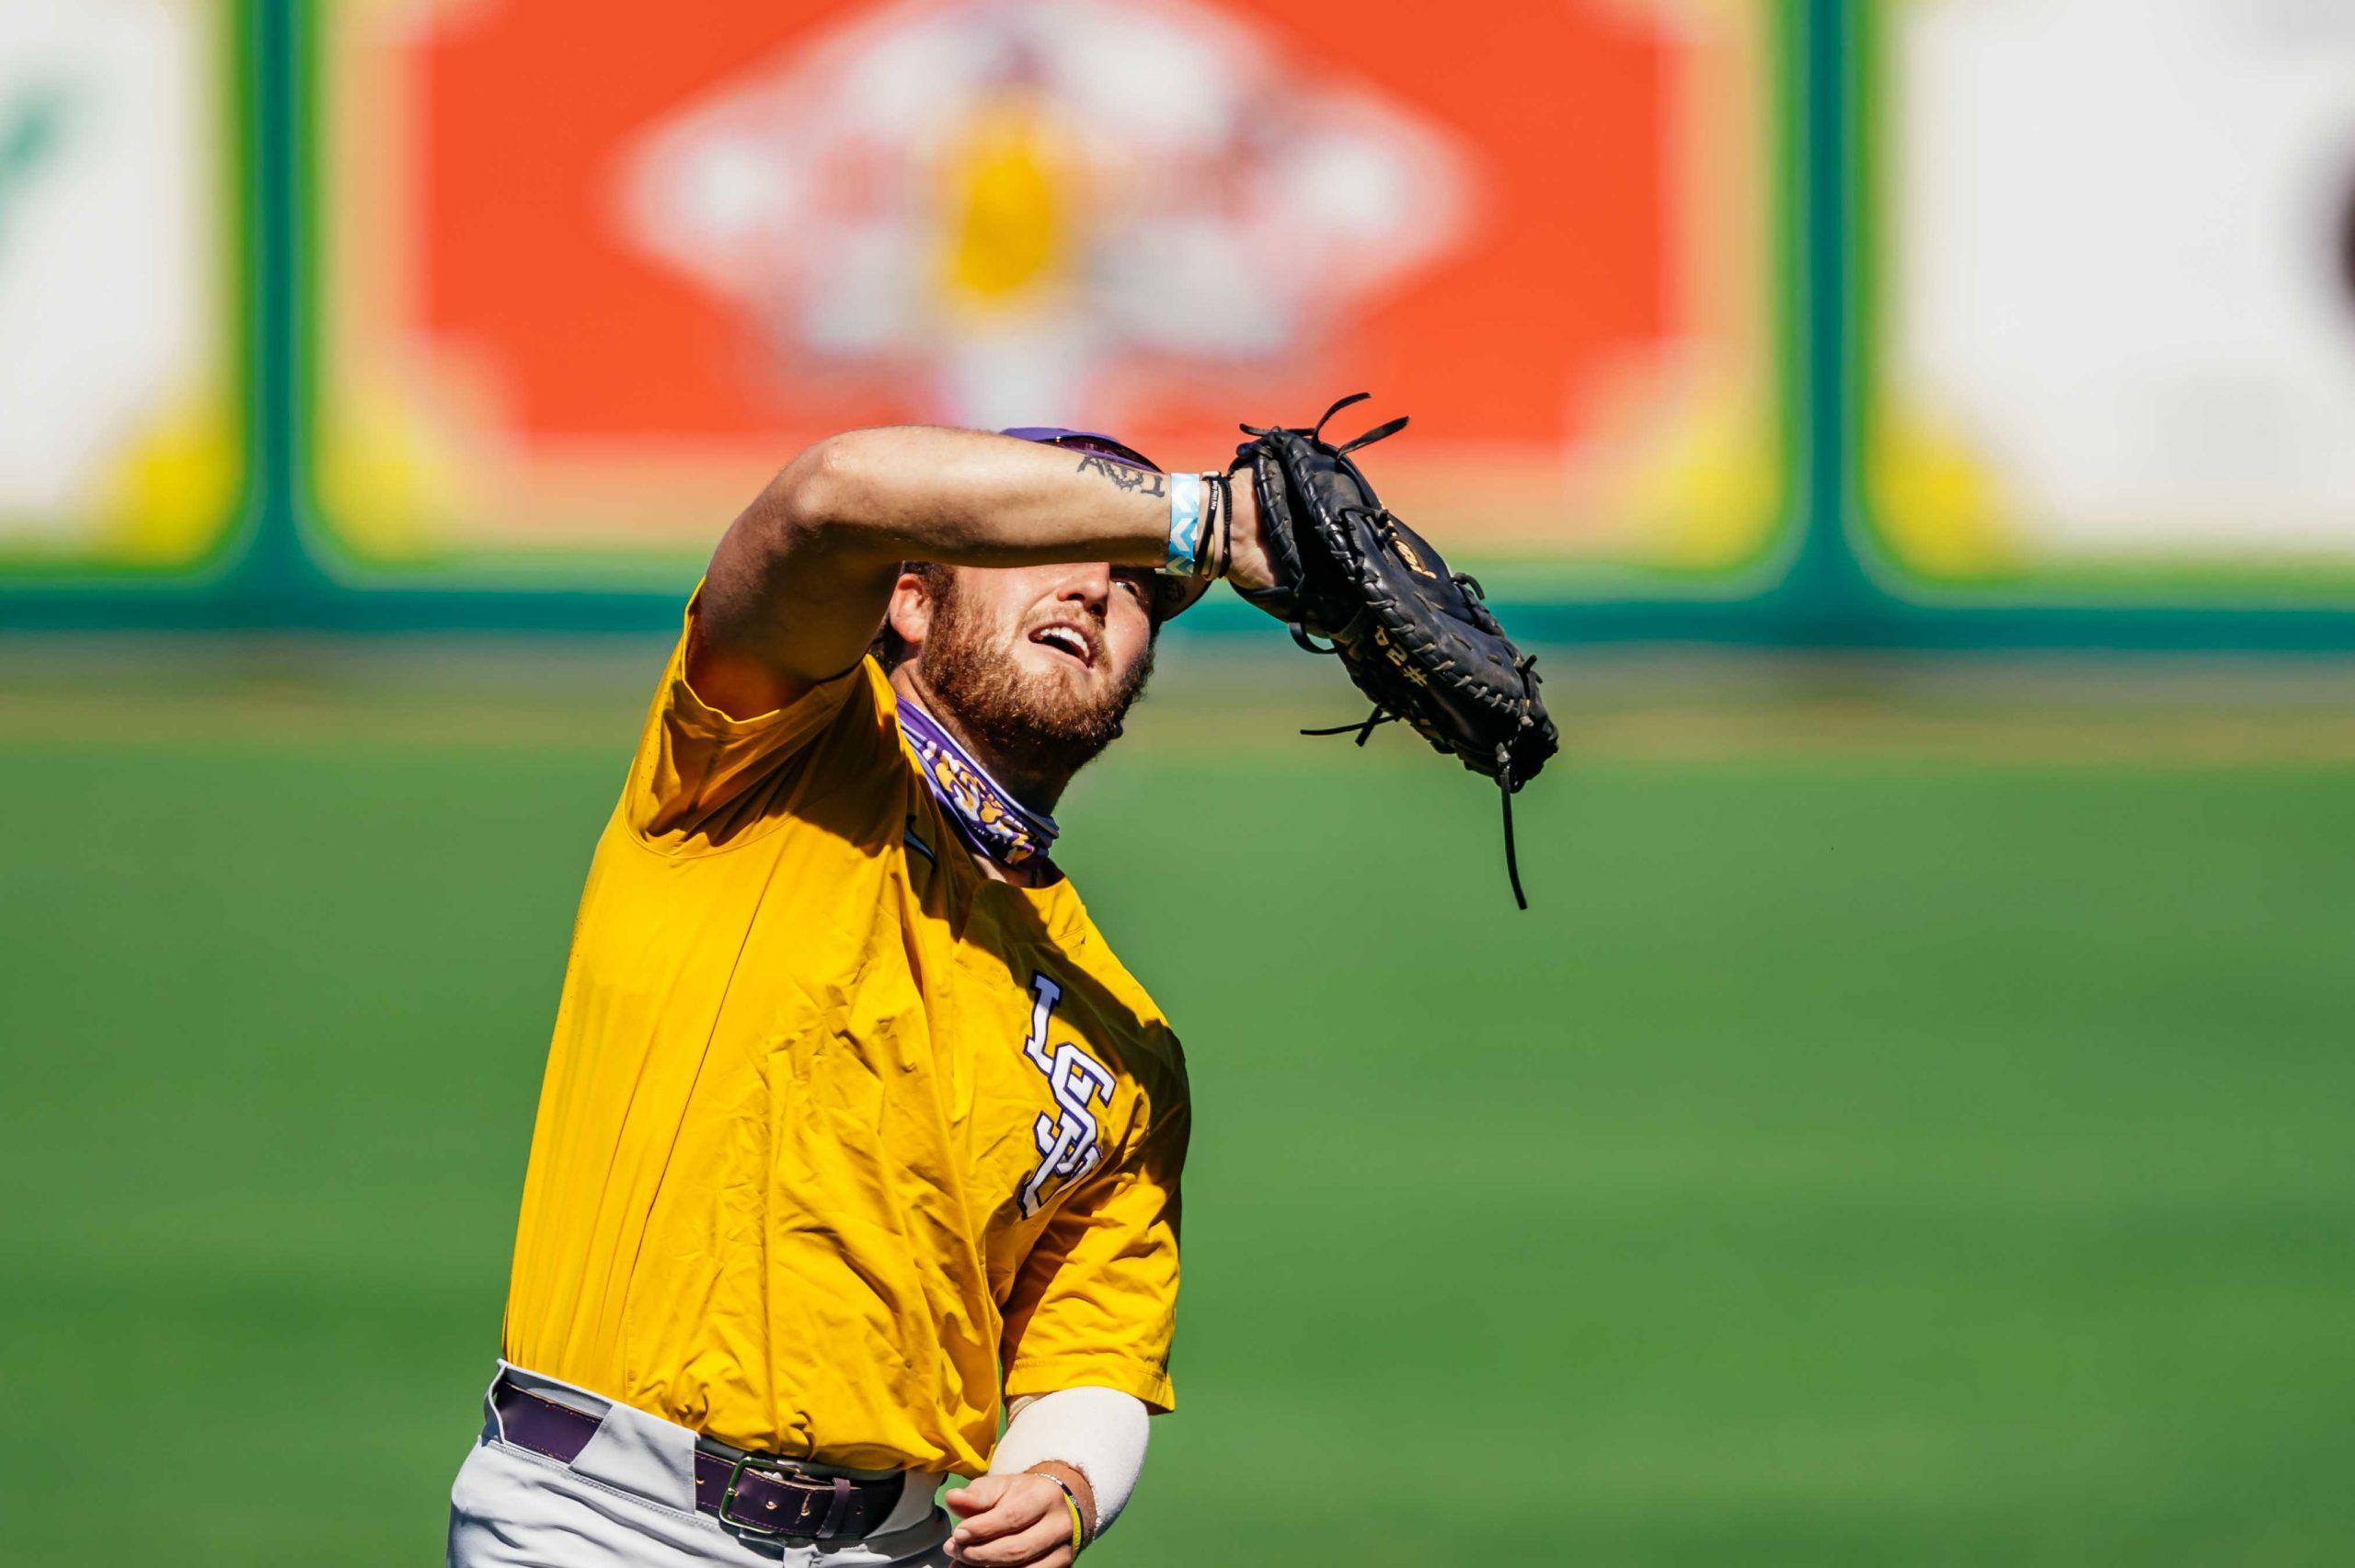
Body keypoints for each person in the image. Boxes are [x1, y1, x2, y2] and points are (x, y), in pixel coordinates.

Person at [449, 422, 1274, 1567]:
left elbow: (1093, 1343)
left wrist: (1068, 1474)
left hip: (893, 1545)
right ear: (911, 602)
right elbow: (829, 497)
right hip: (600, 1523)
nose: (1094, 586)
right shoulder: (759, 761)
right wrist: (1202, 520)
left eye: (1136, 588)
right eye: (1057, 546)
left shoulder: (1121, 1034)